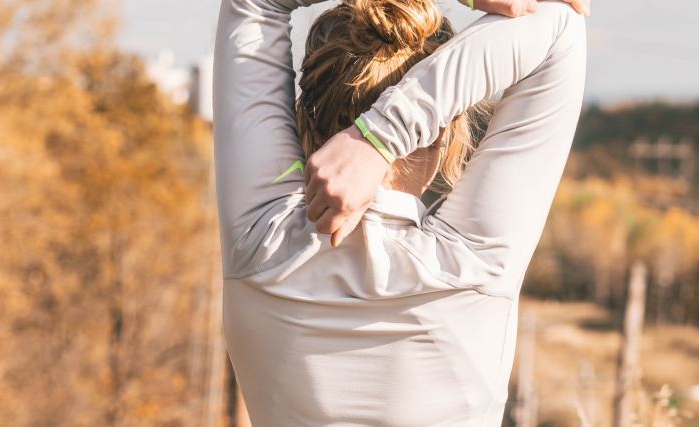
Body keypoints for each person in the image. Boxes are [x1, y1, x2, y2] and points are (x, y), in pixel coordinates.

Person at [212, 0, 587, 424]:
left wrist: (376, 137)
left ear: (306, 121)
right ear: (442, 132)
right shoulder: (474, 262)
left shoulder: (259, 241)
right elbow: (560, 26)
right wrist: (377, 138)